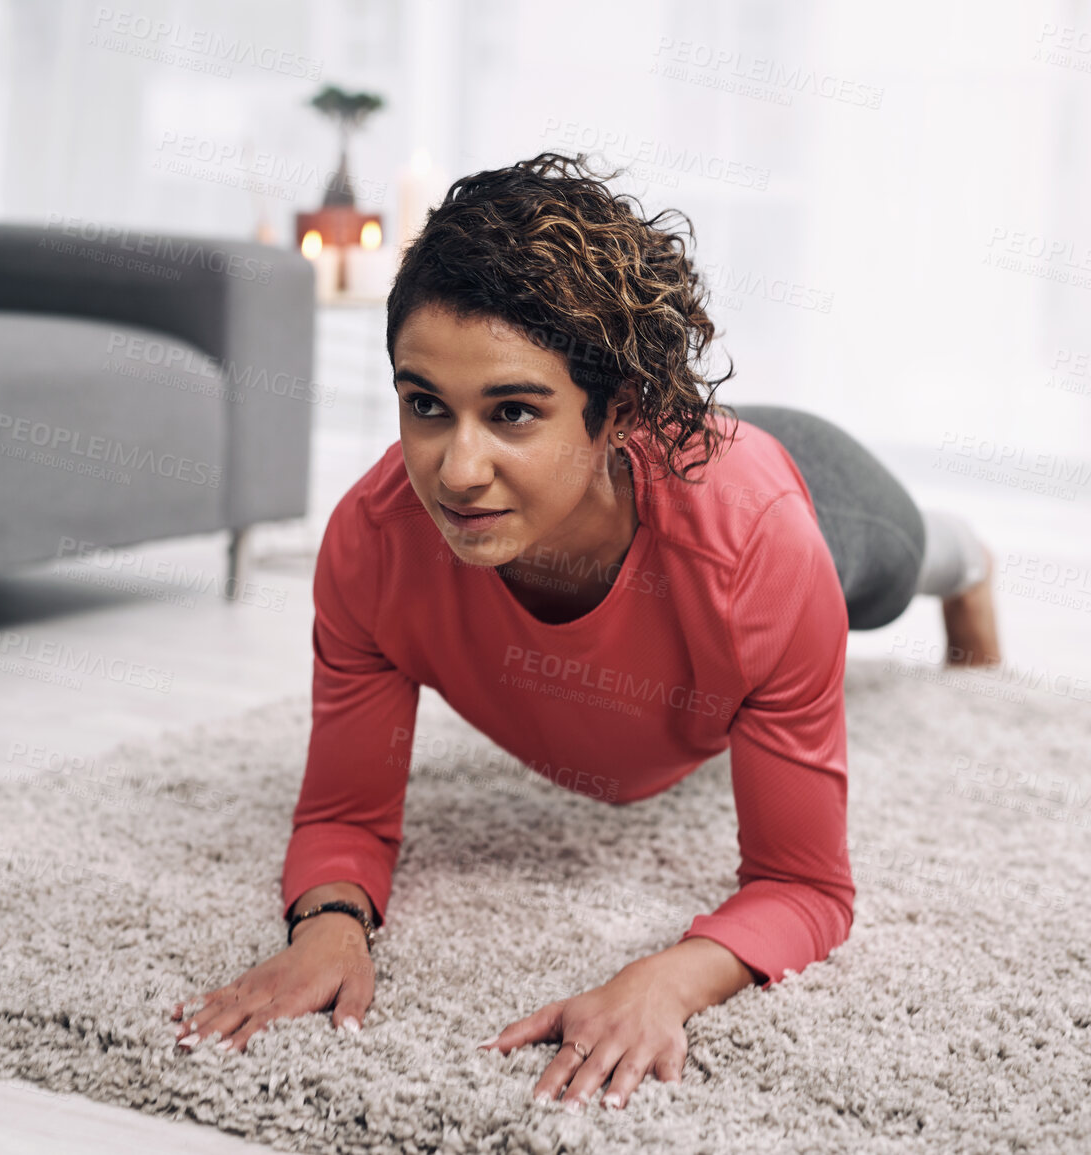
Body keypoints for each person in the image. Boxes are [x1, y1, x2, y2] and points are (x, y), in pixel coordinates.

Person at [171, 153, 1000, 1112]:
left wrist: (665, 979)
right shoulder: (372, 543)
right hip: (672, 484)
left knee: (896, 568)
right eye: (425, 405)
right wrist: (326, 926)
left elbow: (806, 887)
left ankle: (970, 559)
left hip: (798, 487)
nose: (456, 471)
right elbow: (344, 817)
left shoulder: (760, 547)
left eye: (512, 412)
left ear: (620, 415)